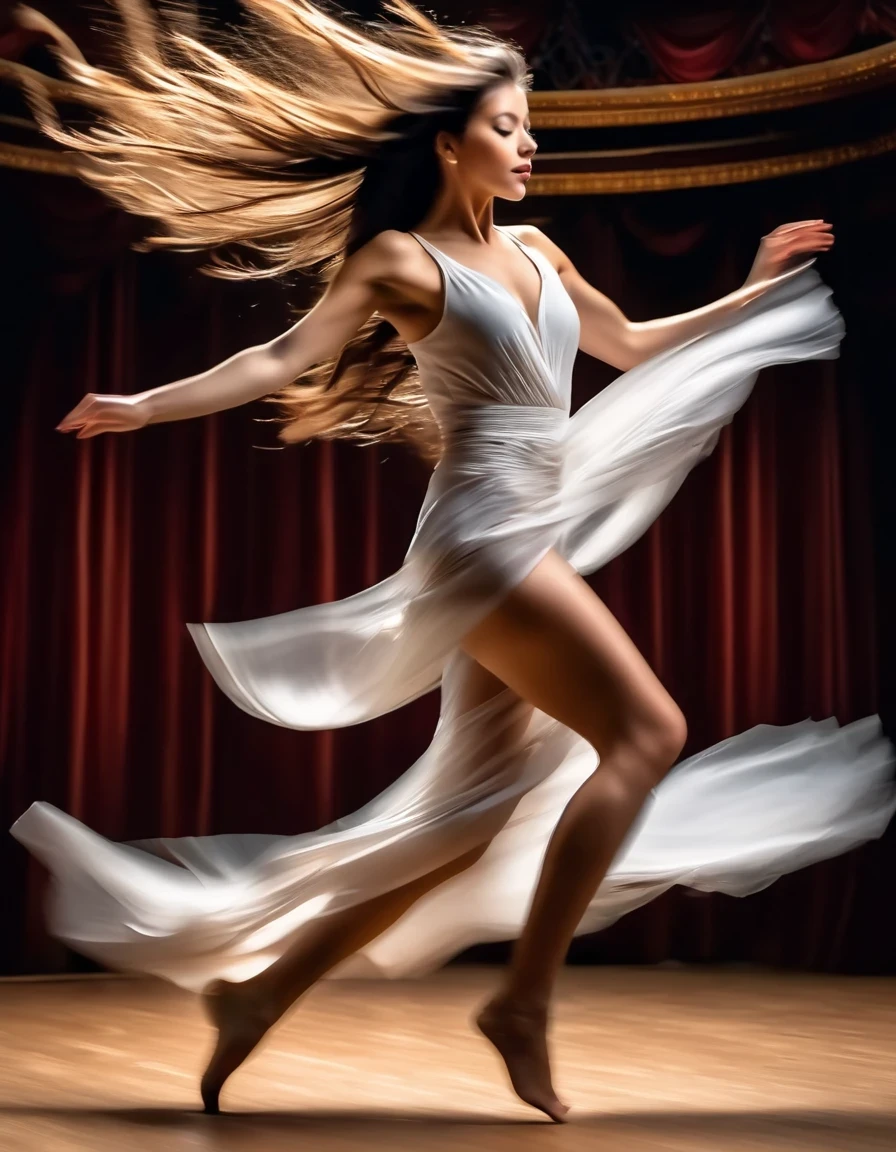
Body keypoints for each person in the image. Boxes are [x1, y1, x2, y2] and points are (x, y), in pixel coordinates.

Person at [9, 0, 895, 1125]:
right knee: (646, 733)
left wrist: (756, 285)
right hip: (479, 541)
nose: (529, 144)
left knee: (467, 817)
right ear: (448, 141)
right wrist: (146, 402)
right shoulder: (398, 259)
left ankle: (257, 991)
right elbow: (281, 356)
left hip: (532, 533)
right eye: (509, 125)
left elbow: (624, 345)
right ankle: (521, 1003)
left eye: (530, 127)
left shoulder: (535, 248)